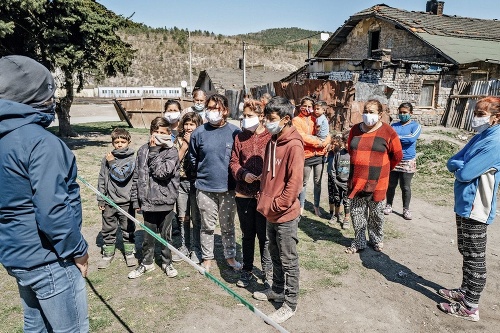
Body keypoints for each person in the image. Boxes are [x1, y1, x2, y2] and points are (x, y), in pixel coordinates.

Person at [0, 55, 89, 332]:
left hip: (16, 254)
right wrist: (79, 251)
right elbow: (52, 211)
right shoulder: (42, 143)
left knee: (35, 326)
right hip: (50, 258)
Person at [438, 96, 500, 322]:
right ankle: (465, 292)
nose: (476, 118)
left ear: (496, 117)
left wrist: (460, 167)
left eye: (481, 114)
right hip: (464, 203)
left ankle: (471, 307)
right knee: (465, 250)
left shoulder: (496, 141)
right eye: (476, 112)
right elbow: (453, 161)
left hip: (478, 206)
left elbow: (464, 172)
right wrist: (460, 166)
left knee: (475, 257)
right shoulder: (481, 136)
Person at [252, 96, 304, 324]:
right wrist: (264, 196)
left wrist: (278, 204)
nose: (267, 122)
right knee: (274, 254)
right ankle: (278, 289)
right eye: (266, 117)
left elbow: (295, 183)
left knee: (288, 258)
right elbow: (269, 174)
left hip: (284, 214)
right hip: (270, 212)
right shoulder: (273, 140)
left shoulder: (294, 145)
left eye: (271, 119)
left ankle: (290, 304)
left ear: (285, 119)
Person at [189, 94, 242, 272]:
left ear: (225, 111)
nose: (212, 112)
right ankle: (207, 258)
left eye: (216, 108)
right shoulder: (199, 133)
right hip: (205, 189)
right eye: (209, 108)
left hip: (228, 189)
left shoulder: (235, 133)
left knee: (227, 226)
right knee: (207, 226)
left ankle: (230, 257)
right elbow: (193, 159)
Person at [344, 99, 402, 254]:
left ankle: (376, 239)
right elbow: (351, 149)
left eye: (371, 112)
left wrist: (384, 170)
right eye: (366, 112)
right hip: (357, 179)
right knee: (357, 212)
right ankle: (359, 241)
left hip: (378, 181)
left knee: (376, 213)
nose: (367, 115)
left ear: (380, 114)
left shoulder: (388, 132)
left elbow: (397, 155)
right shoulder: (355, 130)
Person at [128, 117, 180, 279]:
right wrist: (136, 200)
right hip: (147, 202)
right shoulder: (142, 150)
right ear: (151, 133)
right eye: (156, 132)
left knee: (166, 236)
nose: (158, 135)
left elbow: (162, 173)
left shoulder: (171, 152)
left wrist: (154, 152)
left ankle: (167, 262)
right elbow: (137, 176)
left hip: (165, 201)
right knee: (147, 236)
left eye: (163, 133)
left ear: (169, 134)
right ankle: (147, 262)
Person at [230, 99, 273, 288]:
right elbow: (233, 162)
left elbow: (276, 162)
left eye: (250, 116)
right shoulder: (240, 137)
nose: (246, 119)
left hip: (264, 195)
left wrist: (267, 175)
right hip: (244, 194)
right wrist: (243, 173)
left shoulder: (271, 137)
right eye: (244, 116)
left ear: (261, 116)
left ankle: (268, 272)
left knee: (265, 236)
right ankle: (247, 270)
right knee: (248, 235)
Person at [97, 127, 137, 269]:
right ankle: (108, 253)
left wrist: (112, 162)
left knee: (128, 228)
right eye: (116, 141)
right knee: (108, 227)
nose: (119, 144)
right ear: (112, 142)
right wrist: (101, 198)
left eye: (122, 141)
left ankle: (130, 253)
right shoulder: (106, 158)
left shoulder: (131, 159)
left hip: (126, 202)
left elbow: (122, 176)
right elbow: (102, 178)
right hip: (109, 201)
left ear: (128, 142)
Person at [172, 111, 204, 264]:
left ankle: (196, 248)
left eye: (192, 124)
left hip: (196, 183)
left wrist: (193, 143)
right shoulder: (177, 141)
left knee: (197, 218)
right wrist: (184, 146)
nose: (189, 127)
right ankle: (184, 246)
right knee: (183, 216)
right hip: (181, 183)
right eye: (187, 124)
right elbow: (173, 163)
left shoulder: (202, 140)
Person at [292, 96, 330, 217]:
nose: (307, 109)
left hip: (319, 155)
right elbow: (302, 137)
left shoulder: (316, 119)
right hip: (306, 155)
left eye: (309, 107)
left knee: (318, 182)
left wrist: (325, 142)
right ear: (300, 106)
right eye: (305, 106)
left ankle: (316, 206)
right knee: (303, 183)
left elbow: (327, 134)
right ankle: (301, 206)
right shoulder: (296, 120)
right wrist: (319, 142)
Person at [384, 102, 421, 220]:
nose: (402, 114)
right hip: (393, 159)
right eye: (400, 112)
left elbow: (411, 139)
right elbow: (387, 139)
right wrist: (395, 139)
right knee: (391, 185)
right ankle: (388, 205)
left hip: (407, 160)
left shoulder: (416, 126)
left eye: (405, 112)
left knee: (405, 186)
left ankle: (406, 209)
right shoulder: (394, 126)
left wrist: (395, 138)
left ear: (411, 113)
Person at [327, 130, 351, 229]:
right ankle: (336, 215)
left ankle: (346, 219)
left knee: (347, 202)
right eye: (345, 142)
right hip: (337, 182)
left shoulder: (354, 155)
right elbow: (333, 168)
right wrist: (334, 179)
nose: (346, 145)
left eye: (348, 143)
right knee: (337, 199)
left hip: (347, 184)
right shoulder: (339, 153)